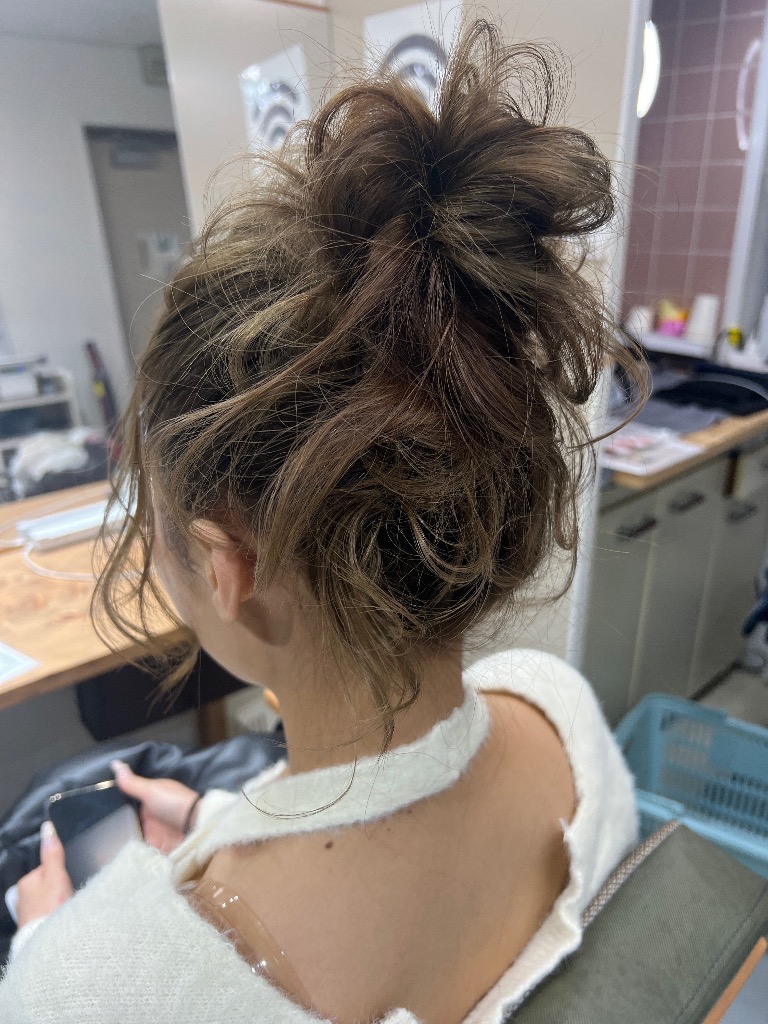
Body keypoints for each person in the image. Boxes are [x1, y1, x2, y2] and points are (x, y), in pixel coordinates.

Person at [0, 20, 645, 1024]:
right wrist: (220, 826)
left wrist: (47, 940)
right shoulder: (559, 714)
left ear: (225, 563)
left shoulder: (87, 985)